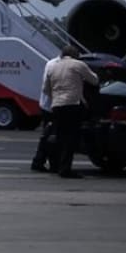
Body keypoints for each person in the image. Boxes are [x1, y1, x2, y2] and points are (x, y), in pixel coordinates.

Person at [43, 45, 98, 179]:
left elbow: (46, 89)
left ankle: (55, 165)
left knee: (59, 136)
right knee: (71, 138)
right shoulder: (78, 64)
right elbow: (94, 80)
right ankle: (66, 169)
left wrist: (55, 97)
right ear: (76, 55)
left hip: (57, 105)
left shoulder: (52, 67)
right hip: (73, 104)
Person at [30, 54, 61, 173]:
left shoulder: (51, 63)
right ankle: (49, 162)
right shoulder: (57, 66)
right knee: (52, 136)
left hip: (46, 105)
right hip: (52, 106)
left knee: (47, 135)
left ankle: (40, 160)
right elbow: (48, 87)